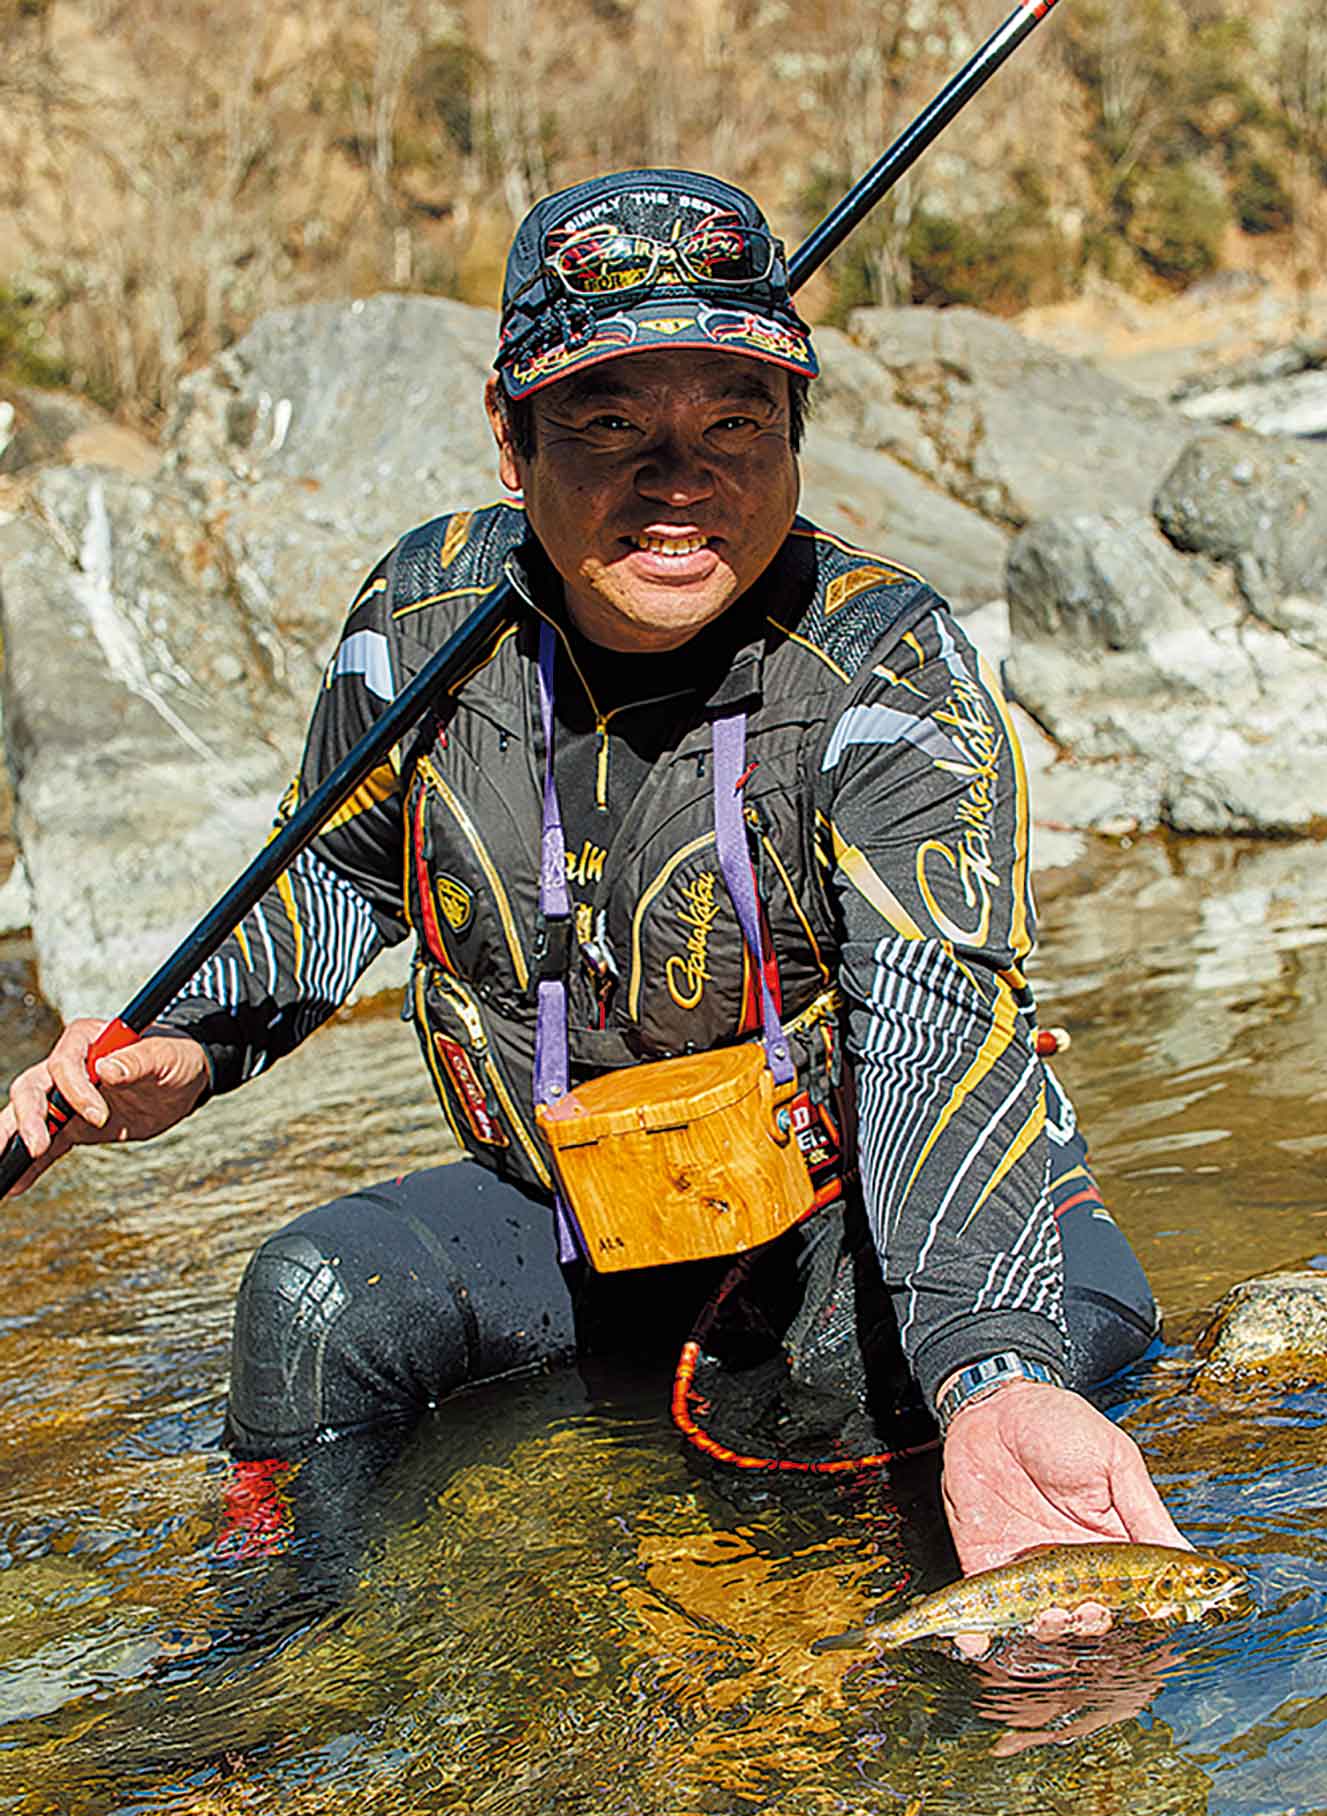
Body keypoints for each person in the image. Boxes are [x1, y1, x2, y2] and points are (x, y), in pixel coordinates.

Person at [0, 168, 1187, 1632]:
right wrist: (186, 1045)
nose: (679, 481)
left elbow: (938, 1038)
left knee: (859, 1410)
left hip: (852, 1220)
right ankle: (275, 1706)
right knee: (307, 1307)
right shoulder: (421, 626)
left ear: (797, 437)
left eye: (735, 421)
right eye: (611, 423)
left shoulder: (889, 674)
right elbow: (331, 870)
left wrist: (996, 1377)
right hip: (570, 1212)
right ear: (511, 436)